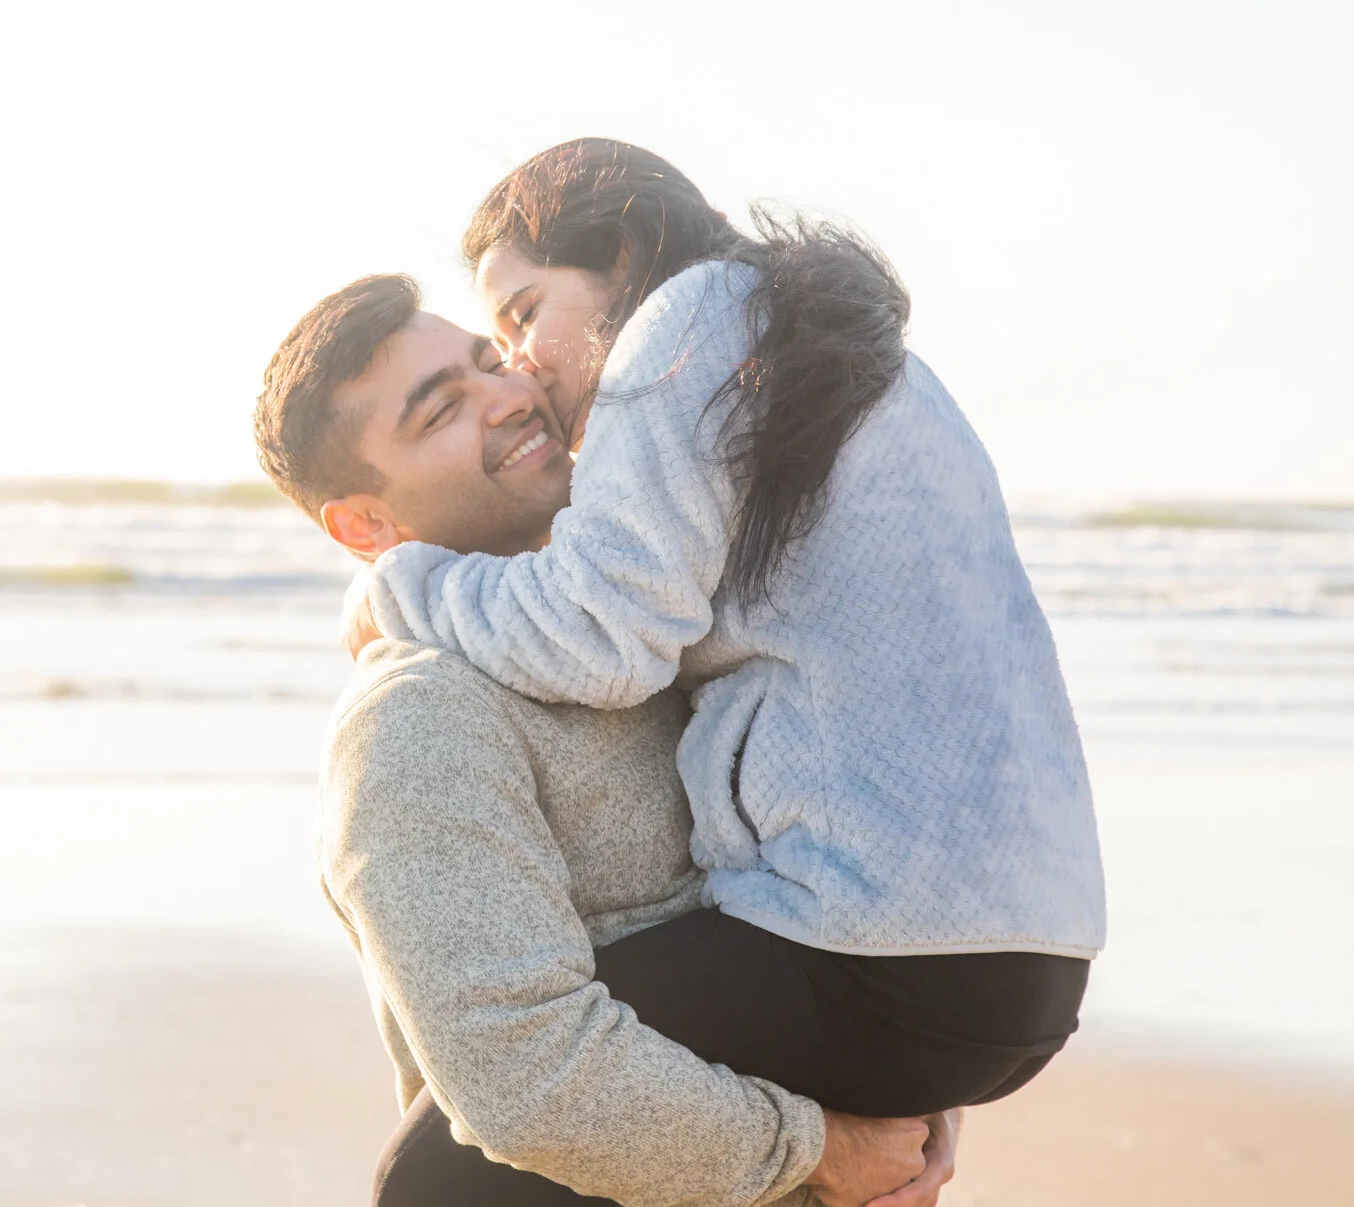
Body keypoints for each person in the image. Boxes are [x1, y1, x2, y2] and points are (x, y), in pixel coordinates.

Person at [344, 140, 1105, 1122]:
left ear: (619, 259)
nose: (522, 364)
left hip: (870, 954)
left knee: (452, 1157)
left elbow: (598, 635)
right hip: (1025, 964)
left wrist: (401, 582)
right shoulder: (847, 351)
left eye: (524, 314)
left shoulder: (676, 324)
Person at [254, 275, 959, 1206]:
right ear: (368, 524)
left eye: (487, 361)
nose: (510, 396)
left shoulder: (671, 629)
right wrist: (824, 1149)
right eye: (442, 412)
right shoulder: (421, 717)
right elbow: (529, 1079)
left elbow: (823, 894)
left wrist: (910, 1082)